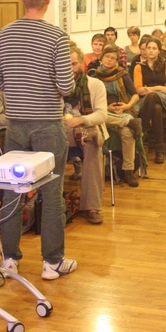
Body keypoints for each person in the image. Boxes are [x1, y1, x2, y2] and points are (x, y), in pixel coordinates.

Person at [0, 0, 77, 280]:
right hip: (49, 125)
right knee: (51, 194)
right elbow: (65, 85)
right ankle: (52, 262)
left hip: (16, 125)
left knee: (13, 192)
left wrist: (19, 87)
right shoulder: (56, 36)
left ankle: (9, 259)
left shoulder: (4, 34)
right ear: (48, 1)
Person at [64, 46, 109, 224]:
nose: (70, 68)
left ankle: (91, 205)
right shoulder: (54, 85)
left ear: (82, 64)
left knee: (92, 142)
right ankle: (54, 202)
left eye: (74, 64)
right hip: (62, 130)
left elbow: (101, 115)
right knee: (51, 140)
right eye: (66, 64)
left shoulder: (94, 85)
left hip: (86, 128)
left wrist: (81, 120)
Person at [91, 45, 141, 187]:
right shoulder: (94, 76)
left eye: (113, 58)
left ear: (117, 61)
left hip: (122, 109)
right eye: (107, 56)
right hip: (103, 111)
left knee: (127, 132)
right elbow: (90, 102)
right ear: (101, 58)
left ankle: (128, 171)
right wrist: (107, 107)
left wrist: (126, 106)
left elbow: (136, 95)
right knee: (100, 116)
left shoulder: (122, 74)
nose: (109, 60)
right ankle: (126, 121)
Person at [133, 37, 166, 164]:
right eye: (148, 48)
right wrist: (160, 88)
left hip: (165, 99)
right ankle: (159, 150)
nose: (151, 51)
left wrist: (151, 89)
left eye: (154, 48)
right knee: (156, 108)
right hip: (145, 101)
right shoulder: (139, 67)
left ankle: (143, 131)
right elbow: (139, 89)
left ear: (159, 51)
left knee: (152, 97)